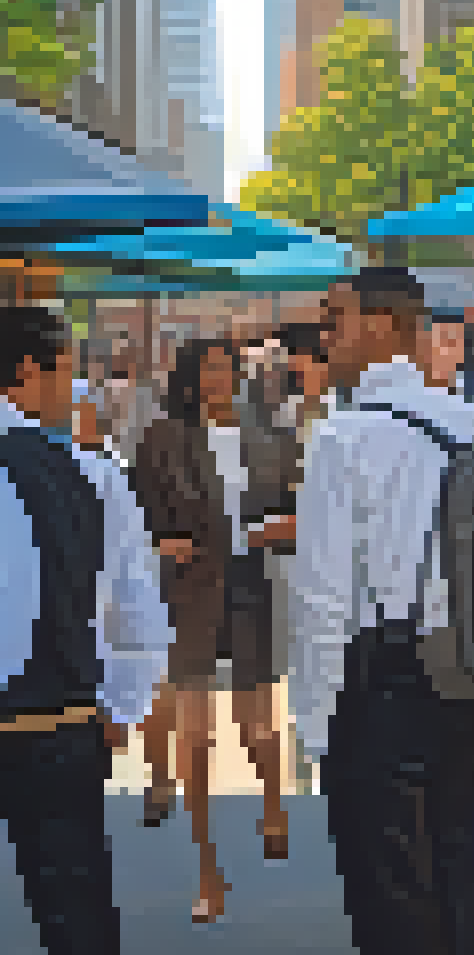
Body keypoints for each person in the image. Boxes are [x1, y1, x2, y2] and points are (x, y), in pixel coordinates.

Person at [290, 268, 474, 955]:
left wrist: (313, 725)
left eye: (334, 319)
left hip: (378, 674)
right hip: (460, 663)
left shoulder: (341, 437)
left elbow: (321, 597)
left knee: (388, 886)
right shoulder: (468, 420)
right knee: (453, 863)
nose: (326, 336)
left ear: (381, 324)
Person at [0, 305, 172, 954]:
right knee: (76, 918)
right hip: (61, 723)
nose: (73, 391)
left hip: (55, 717)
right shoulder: (94, 474)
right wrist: (122, 704)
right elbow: (136, 608)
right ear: (25, 372)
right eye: (65, 373)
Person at [131, 336, 290, 921]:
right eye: (211, 369)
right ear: (192, 377)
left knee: (258, 731)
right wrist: (158, 545)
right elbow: (134, 514)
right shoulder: (161, 438)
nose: (220, 379)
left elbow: (297, 507)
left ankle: (274, 800)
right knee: (194, 741)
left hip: (247, 591)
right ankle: (207, 873)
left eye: (228, 368)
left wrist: (279, 529)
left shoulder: (267, 438)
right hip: (189, 594)